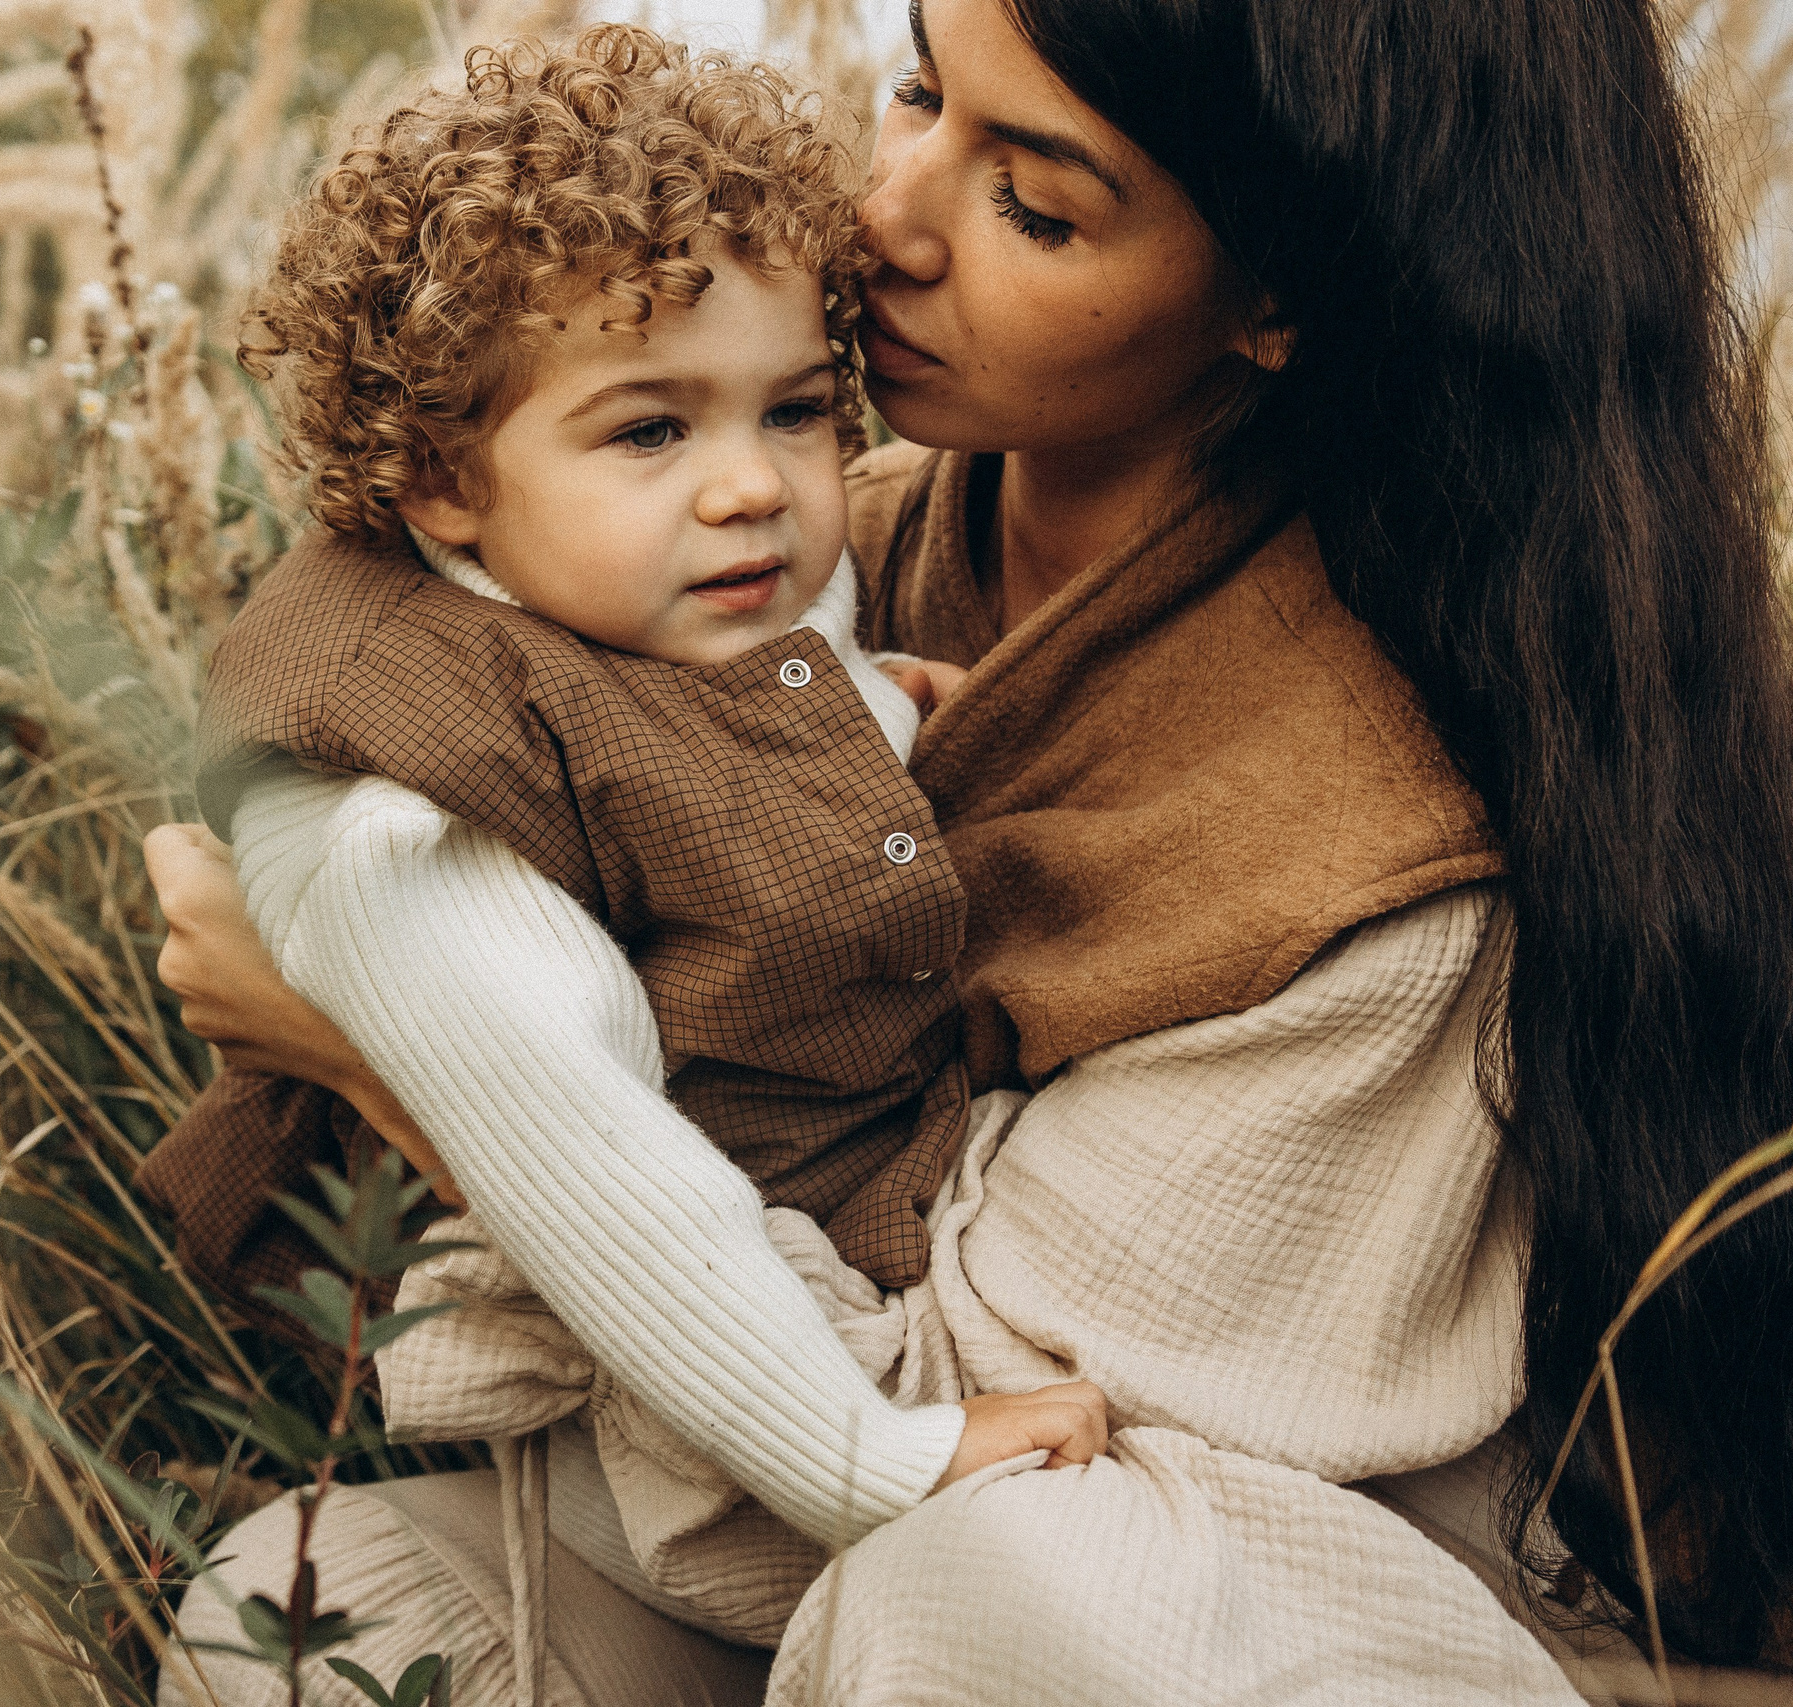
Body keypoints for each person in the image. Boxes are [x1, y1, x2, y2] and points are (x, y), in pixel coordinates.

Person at [149, 0, 1793, 1701]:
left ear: (1283, 296)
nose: (887, 221)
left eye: (1035, 203)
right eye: (920, 91)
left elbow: (962, 1474)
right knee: (308, 1625)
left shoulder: (1376, 869)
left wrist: (414, 1079)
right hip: (743, 1549)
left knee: (989, 1594)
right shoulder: (803, 559)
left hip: (1161, 1604)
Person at [134, 24, 1110, 1580]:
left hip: (811, 1270)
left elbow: (709, 745)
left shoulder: (630, 579)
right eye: (652, 429)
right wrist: (875, 1462)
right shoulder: (409, 824)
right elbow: (604, 1174)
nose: (750, 486)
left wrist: (863, 713)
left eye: (794, 410)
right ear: (445, 479)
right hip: (688, 1425)